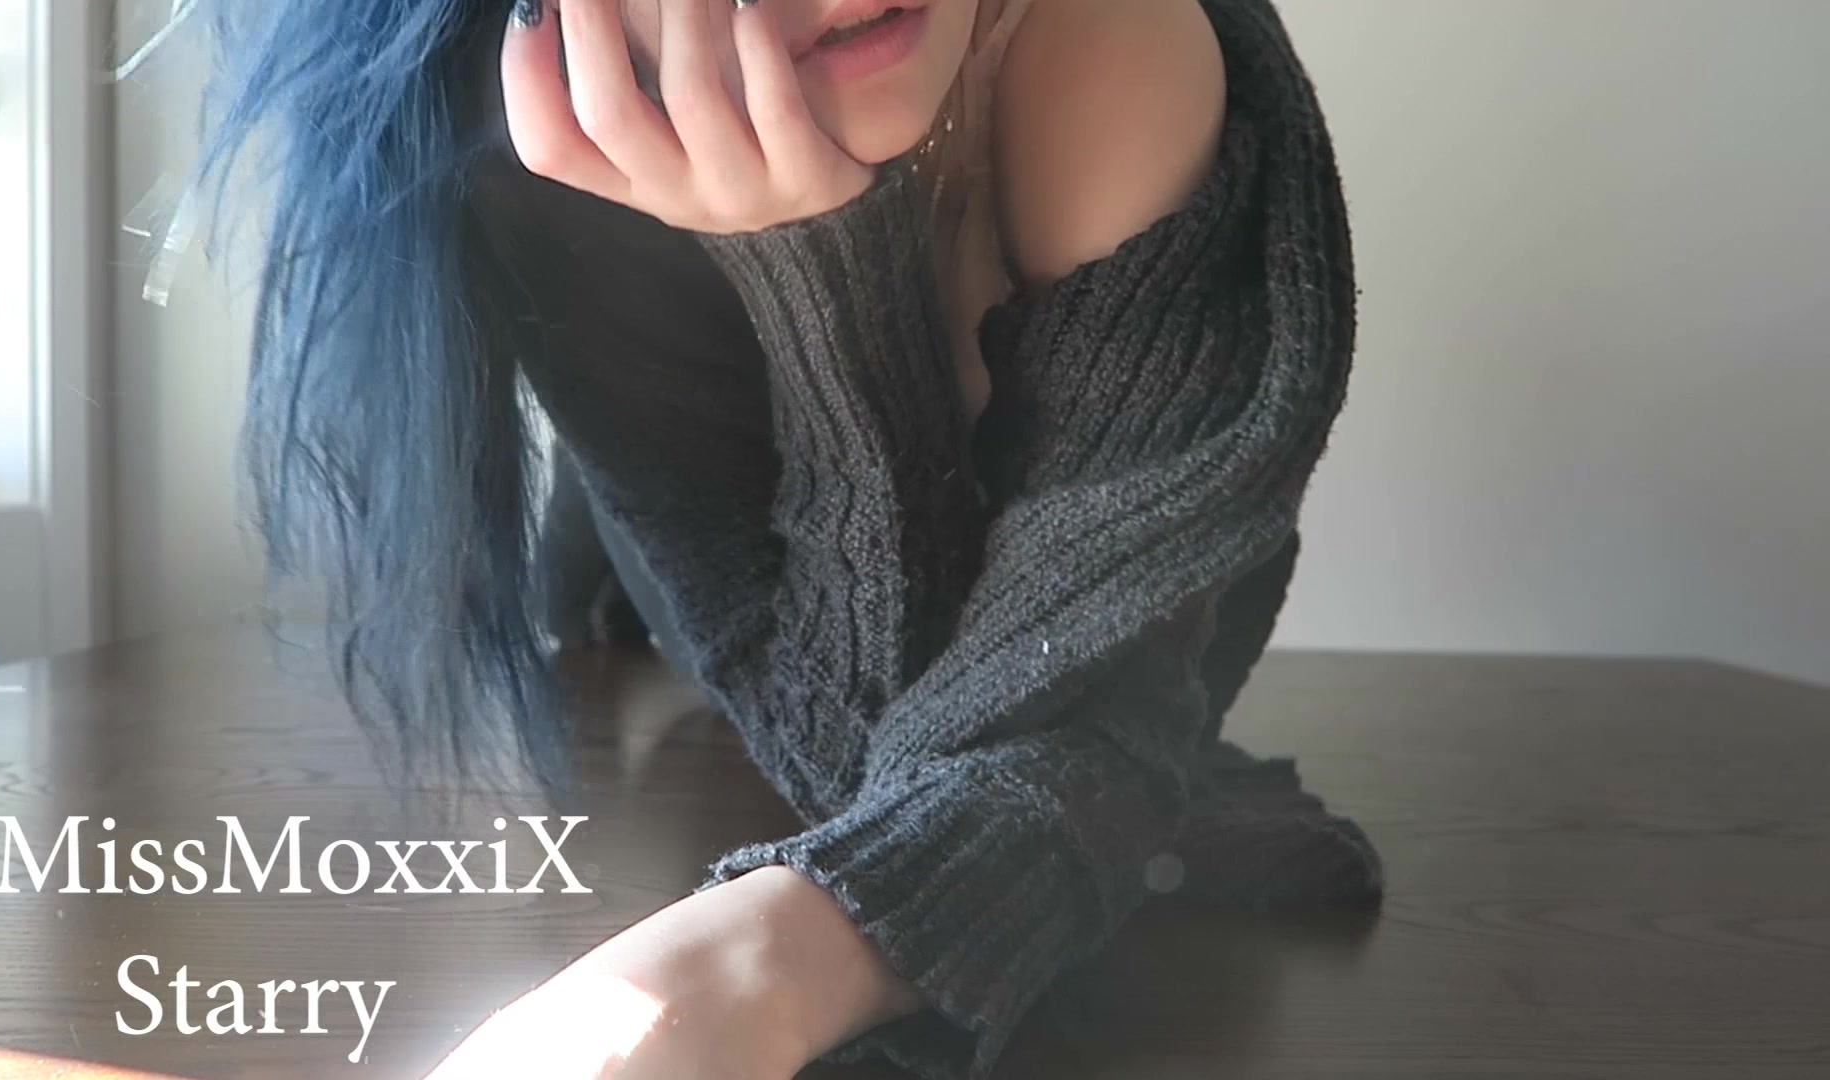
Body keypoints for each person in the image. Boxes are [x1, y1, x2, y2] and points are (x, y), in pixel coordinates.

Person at [189, 0, 1384, 1076]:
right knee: (598, 594)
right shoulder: (552, 120)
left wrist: (739, 970)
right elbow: (857, 749)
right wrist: (815, 257)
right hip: (647, 635)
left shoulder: (1108, 43)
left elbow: (1056, 699)